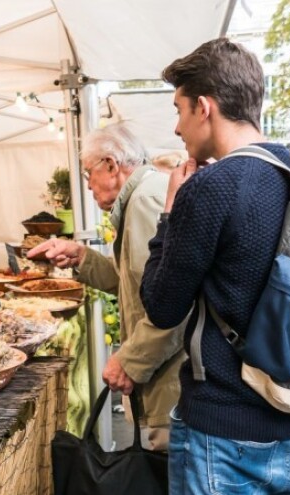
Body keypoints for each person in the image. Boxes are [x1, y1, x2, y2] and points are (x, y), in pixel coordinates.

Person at [140, 38, 290, 494]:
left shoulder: (213, 186)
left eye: (179, 110)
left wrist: (170, 212)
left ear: (204, 106)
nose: (177, 128)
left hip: (223, 431)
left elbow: (161, 306)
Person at [27, 122, 184, 451]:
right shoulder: (146, 195)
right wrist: (81, 256)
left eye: (88, 175)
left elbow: (171, 300)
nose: (88, 186)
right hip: (169, 386)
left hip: (170, 388)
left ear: (111, 165)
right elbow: (133, 283)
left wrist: (129, 361)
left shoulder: (145, 200)